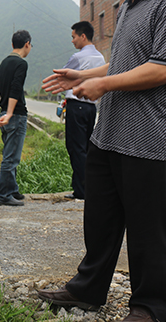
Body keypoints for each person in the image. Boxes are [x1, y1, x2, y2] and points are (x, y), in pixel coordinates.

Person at [38, 0, 166, 322]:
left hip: (148, 140)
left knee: (147, 228)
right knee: (101, 221)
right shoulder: (128, 5)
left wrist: (103, 84)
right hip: (108, 136)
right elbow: (124, 63)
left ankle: (149, 307)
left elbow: (164, 70)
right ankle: (88, 290)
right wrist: (83, 76)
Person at [0, 30, 32, 207]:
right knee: (11, 158)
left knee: (10, 153)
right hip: (15, 116)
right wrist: (10, 113)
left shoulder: (4, 62)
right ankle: (4, 194)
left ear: (12, 45)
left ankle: (13, 189)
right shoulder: (21, 64)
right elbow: (16, 88)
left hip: (4, 114)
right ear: (27, 44)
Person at [62, 21, 105, 200]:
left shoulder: (77, 57)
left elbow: (63, 76)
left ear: (83, 36)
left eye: (74, 37)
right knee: (86, 147)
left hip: (76, 105)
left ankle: (81, 190)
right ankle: (87, 187)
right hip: (90, 107)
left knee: (75, 147)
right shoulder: (101, 58)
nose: (72, 41)